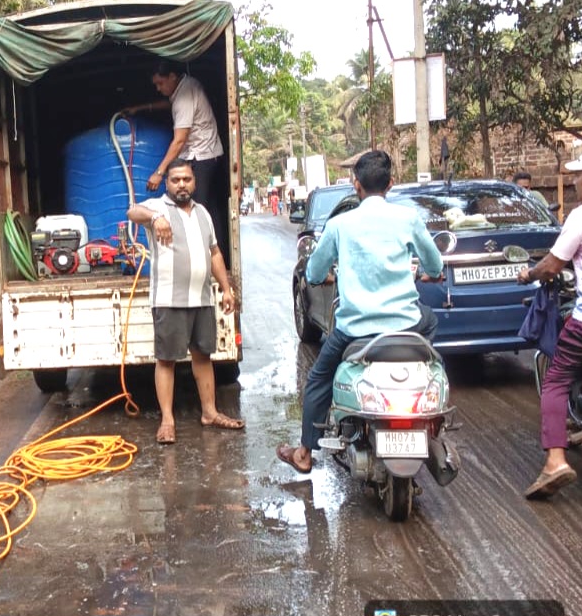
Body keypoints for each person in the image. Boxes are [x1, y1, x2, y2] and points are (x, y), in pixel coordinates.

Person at [276, 150, 444, 473]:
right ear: (390, 184)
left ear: (356, 185)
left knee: (319, 379)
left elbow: (312, 273)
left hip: (354, 330)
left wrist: (325, 273)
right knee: (432, 329)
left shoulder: (340, 225)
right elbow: (434, 264)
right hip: (406, 326)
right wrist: (429, 272)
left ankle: (304, 453)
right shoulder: (408, 220)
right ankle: (426, 390)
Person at [127, 158, 244, 444]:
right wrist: (155, 219)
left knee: (204, 356)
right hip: (168, 300)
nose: (182, 184)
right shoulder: (157, 207)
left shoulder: (203, 212)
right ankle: (167, 421)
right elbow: (132, 211)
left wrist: (226, 289)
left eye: (187, 179)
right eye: (176, 180)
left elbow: (214, 252)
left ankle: (210, 412)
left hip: (202, 298)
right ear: (167, 183)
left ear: (194, 181)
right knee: (166, 360)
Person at [515, 151, 582, 499]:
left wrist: (528, 272)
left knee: (556, 380)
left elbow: (552, 265)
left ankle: (555, 460)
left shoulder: (580, 217)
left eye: (579, 176)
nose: (575, 181)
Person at [123, 60, 227, 247]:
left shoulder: (184, 97)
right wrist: (140, 109)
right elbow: (168, 104)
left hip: (201, 156)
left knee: (198, 209)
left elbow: (179, 140)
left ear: (172, 76)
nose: (158, 88)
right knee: (208, 207)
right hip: (207, 153)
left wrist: (159, 172)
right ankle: (213, 249)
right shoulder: (184, 87)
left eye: (160, 83)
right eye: (155, 84)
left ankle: (205, 251)